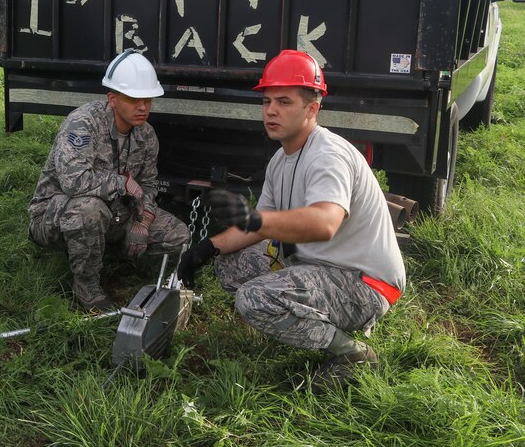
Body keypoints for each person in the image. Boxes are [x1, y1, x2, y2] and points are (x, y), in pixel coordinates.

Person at [177, 49, 405, 386]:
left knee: (254, 297)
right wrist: (205, 249)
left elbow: (324, 224)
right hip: (322, 268)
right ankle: (308, 316)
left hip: (365, 284)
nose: (271, 111)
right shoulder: (280, 160)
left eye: (284, 102)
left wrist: (256, 221)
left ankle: (352, 353)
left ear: (312, 108)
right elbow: (261, 226)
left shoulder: (328, 156)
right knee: (228, 266)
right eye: (267, 101)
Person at [28, 50, 190, 311]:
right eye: (133, 99)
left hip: (115, 214)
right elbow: (74, 183)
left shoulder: (147, 135)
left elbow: (148, 184)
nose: (143, 107)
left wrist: (142, 222)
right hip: (57, 215)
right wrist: (120, 183)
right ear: (112, 99)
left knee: (179, 235)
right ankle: (86, 282)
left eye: (148, 99)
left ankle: (100, 249)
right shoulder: (82, 124)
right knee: (90, 209)